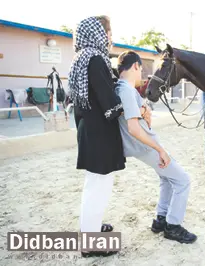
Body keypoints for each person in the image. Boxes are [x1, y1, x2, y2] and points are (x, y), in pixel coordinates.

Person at [115, 50, 197, 244]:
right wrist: (160, 149)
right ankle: (173, 226)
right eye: (141, 69)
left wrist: (144, 109)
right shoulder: (126, 89)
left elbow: (134, 113)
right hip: (144, 146)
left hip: (144, 145)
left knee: (167, 178)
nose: (141, 74)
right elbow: (134, 129)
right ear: (135, 66)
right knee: (183, 180)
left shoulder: (121, 88)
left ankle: (161, 219)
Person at [68, 16, 124, 257]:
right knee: (98, 187)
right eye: (107, 31)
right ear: (96, 33)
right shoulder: (95, 60)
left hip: (89, 130)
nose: (110, 36)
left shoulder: (82, 58)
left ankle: (90, 228)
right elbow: (108, 99)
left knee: (94, 185)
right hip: (99, 133)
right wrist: (130, 110)